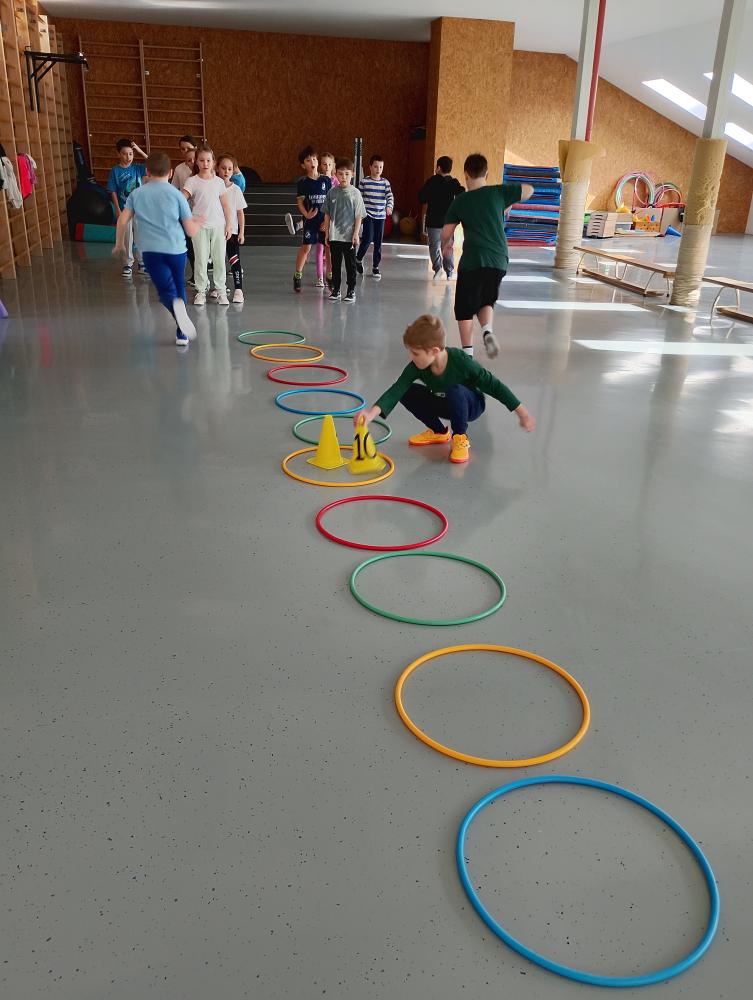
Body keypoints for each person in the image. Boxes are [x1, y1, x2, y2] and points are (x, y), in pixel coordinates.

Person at [354, 313, 534, 465]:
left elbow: (494, 385)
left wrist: (523, 414)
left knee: (455, 390)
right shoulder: (417, 366)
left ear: (434, 351)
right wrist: (370, 414)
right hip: (445, 402)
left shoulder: (461, 361)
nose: (411, 357)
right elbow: (397, 389)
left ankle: (460, 438)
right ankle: (439, 432)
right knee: (407, 391)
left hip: (471, 405)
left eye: (415, 353)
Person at [440, 152, 533, 359]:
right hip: (499, 260)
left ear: (465, 174)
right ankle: (487, 331)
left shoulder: (460, 201)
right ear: (487, 174)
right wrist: (506, 204)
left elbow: (446, 234)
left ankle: (468, 354)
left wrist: (445, 245)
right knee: (486, 300)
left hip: (472, 260)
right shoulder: (498, 192)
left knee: (464, 309)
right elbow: (529, 189)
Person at [113, 150, 204, 347]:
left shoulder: (137, 194)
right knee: (178, 286)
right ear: (170, 173)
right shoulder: (177, 195)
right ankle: (182, 333)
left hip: (152, 252)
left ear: (147, 172)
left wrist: (119, 242)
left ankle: (177, 314)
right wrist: (198, 223)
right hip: (177, 250)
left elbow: (122, 220)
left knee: (165, 292)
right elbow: (190, 230)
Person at [182, 143, 232, 306]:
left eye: (208, 160)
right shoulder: (192, 181)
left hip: (218, 226)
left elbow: (226, 205)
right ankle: (201, 291)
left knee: (219, 260)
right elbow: (182, 200)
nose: (205, 163)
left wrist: (229, 225)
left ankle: (221, 291)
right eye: (202, 160)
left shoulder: (219, 182)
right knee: (201, 260)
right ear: (196, 162)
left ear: (213, 162)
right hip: (199, 227)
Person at [323, 157, 365, 304]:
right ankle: (336, 289)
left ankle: (351, 290)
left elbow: (359, 215)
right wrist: (327, 232)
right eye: (340, 174)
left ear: (352, 174)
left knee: (350, 265)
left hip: (349, 237)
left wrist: (356, 234)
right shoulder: (332, 193)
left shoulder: (355, 193)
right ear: (335, 174)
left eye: (347, 174)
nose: (343, 177)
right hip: (335, 236)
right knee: (335, 264)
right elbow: (327, 213)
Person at [291, 145, 331, 293]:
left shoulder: (326, 180)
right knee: (306, 247)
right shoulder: (303, 183)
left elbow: (330, 202)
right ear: (303, 165)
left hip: (324, 221)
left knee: (328, 247)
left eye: (314, 159)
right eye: (308, 160)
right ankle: (297, 275)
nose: (312, 162)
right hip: (310, 222)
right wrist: (306, 214)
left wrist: (327, 221)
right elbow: (300, 202)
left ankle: (330, 276)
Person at [418, 155, 464, 280]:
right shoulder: (453, 182)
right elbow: (462, 193)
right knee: (447, 247)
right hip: (448, 221)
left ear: (438, 168)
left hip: (433, 221)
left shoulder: (431, 181)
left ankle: (438, 269)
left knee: (434, 247)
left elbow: (421, 197)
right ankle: (449, 272)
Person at [107, 138, 148, 277]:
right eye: (124, 154)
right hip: (125, 209)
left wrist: (140, 151)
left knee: (141, 236)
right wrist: (117, 209)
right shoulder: (115, 171)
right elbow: (112, 190)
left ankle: (142, 263)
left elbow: (152, 162)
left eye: (131, 154)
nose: (128, 157)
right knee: (127, 237)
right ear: (118, 154)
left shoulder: (137, 168)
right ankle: (127, 264)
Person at [356, 154, 393, 280]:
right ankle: (358, 258)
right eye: (376, 166)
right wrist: (359, 213)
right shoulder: (364, 182)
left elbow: (390, 196)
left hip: (381, 216)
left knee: (378, 242)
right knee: (367, 239)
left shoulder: (385, 183)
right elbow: (359, 198)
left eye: (381, 167)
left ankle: (375, 266)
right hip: (368, 215)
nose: (378, 169)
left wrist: (389, 207)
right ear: (370, 167)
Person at [217, 153, 247, 303]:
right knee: (218, 261)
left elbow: (240, 212)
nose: (226, 171)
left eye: (229, 169)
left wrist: (241, 232)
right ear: (217, 168)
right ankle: (219, 287)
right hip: (216, 231)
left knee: (234, 260)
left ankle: (238, 290)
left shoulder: (235, 190)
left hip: (232, 232)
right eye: (223, 168)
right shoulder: (213, 186)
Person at [171, 135, 197, 284]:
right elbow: (174, 189)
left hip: (202, 215)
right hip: (186, 214)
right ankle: (195, 275)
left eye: (189, 148)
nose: (185, 151)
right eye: (182, 149)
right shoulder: (179, 169)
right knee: (190, 246)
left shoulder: (205, 168)